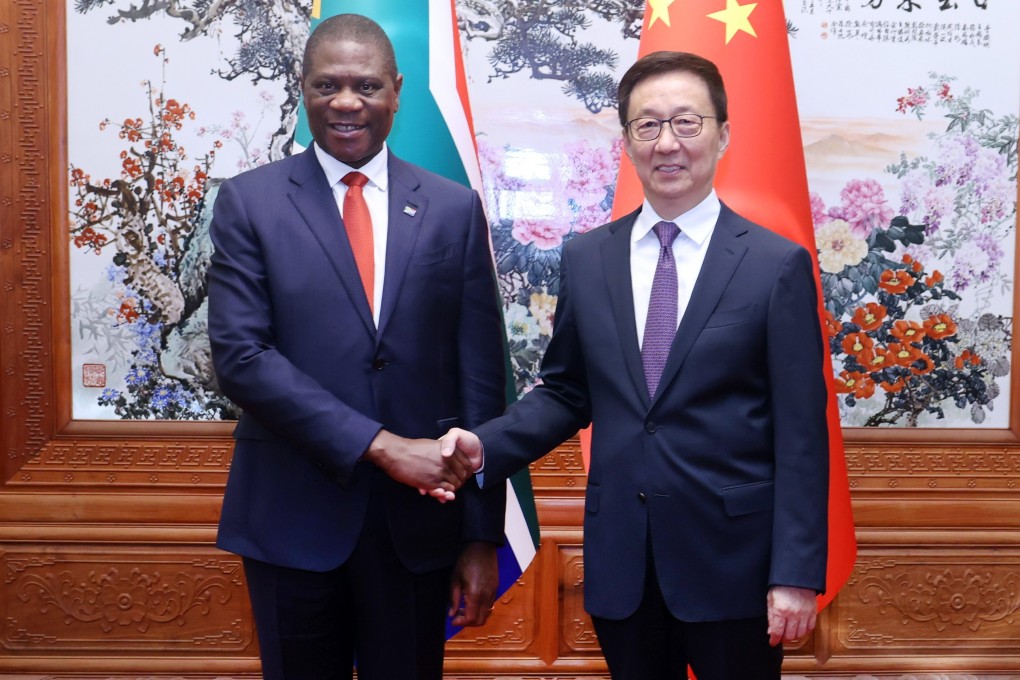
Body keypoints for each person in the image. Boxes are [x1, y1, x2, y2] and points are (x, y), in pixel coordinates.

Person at [438, 51, 830, 680]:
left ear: (723, 135)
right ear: (627, 141)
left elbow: (803, 436)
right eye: (647, 126)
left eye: (686, 122)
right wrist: (483, 447)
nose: (666, 143)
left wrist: (796, 576)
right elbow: (567, 392)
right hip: (625, 562)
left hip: (734, 565)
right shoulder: (589, 257)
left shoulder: (773, 265)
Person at [207, 13, 507, 680]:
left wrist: (482, 536)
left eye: (366, 86)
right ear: (303, 89)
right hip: (291, 517)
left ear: (397, 90)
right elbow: (242, 358)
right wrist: (382, 447)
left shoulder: (453, 209)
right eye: (327, 85)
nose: (346, 102)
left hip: (419, 533)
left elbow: (481, 380)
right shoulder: (249, 204)